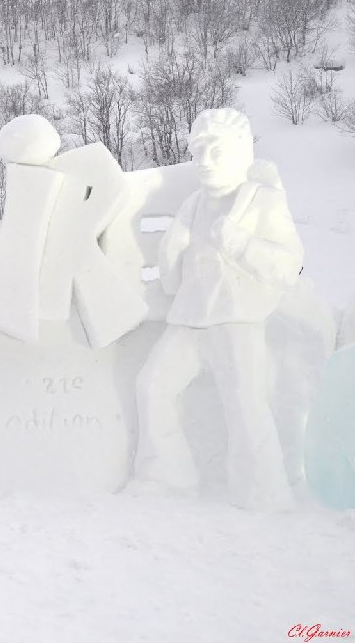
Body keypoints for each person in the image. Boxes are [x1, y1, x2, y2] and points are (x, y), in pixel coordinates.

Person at [134, 109, 304, 510]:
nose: (204, 161)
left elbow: (288, 267)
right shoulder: (193, 204)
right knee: (152, 385)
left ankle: (264, 490)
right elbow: (175, 277)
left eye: (216, 150)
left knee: (246, 402)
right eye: (198, 151)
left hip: (237, 320)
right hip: (191, 319)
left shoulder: (262, 200)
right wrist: (171, 252)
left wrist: (240, 242)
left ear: (242, 152)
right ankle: (166, 476)